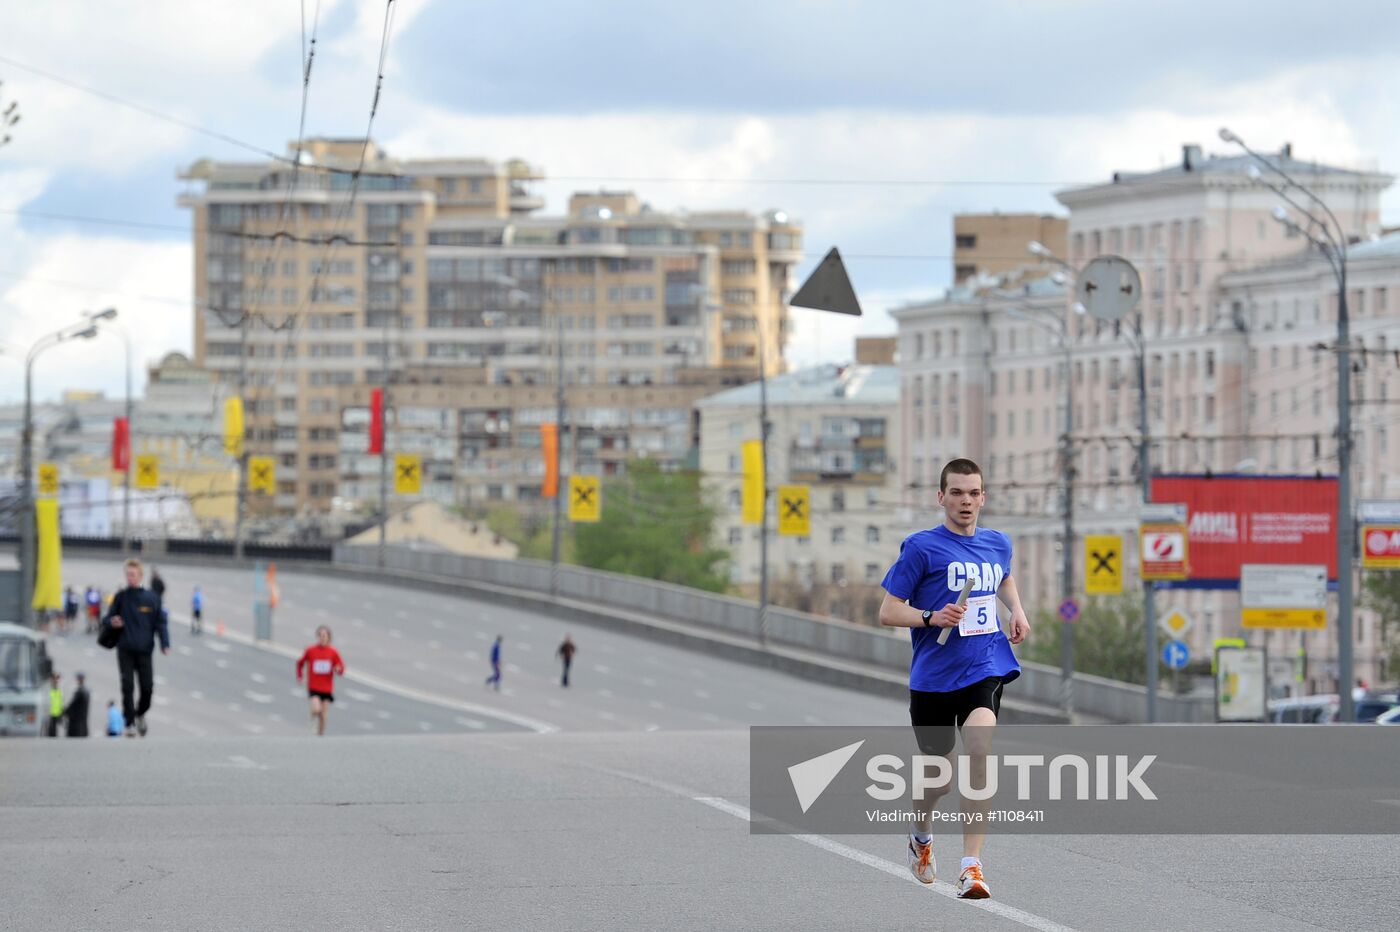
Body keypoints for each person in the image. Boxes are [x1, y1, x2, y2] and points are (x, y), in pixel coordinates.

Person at [877, 458, 1030, 901]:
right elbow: (888, 611)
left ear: (983, 497)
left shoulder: (997, 542)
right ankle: (921, 835)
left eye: (974, 492)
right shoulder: (922, 548)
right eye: (957, 493)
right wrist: (930, 615)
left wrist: (1016, 610)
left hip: (985, 664)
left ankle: (971, 867)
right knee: (939, 778)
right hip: (933, 676)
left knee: (980, 746)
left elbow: (1003, 576)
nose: (966, 501)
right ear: (941, 497)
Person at [103, 558, 170, 738]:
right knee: (127, 687)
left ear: (140, 575)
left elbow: (161, 623)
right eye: (127, 574)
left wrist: (165, 643)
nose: (129, 577)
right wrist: (112, 622)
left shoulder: (151, 599)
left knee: (147, 688)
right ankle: (130, 722)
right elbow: (107, 618)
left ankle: (140, 713)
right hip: (125, 649)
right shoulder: (121, 597)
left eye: (132, 574)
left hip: (144, 650)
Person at [296, 625, 345, 736]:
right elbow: (300, 663)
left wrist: (338, 670)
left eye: (325, 636)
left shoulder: (333, 652)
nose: (322, 638)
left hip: (327, 688)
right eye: (320, 635)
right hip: (314, 686)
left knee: (324, 714)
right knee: (317, 709)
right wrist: (300, 676)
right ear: (317, 637)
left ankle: (320, 735)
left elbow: (341, 667)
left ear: (329, 638)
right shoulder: (311, 650)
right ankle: (312, 717)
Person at [63, 672, 90, 738]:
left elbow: (72, 705)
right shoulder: (85, 691)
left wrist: (64, 712)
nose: (79, 680)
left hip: (76, 724)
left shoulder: (80, 692)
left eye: (80, 678)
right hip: (82, 724)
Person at [47, 672, 64, 737]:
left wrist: (61, 713)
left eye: (57, 678)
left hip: (57, 714)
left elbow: (61, 703)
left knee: (55, 734)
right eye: (54, 678)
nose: (56, 680)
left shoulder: (59, 690)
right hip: (49, 715)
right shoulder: (48, 690)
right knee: (50, 733)